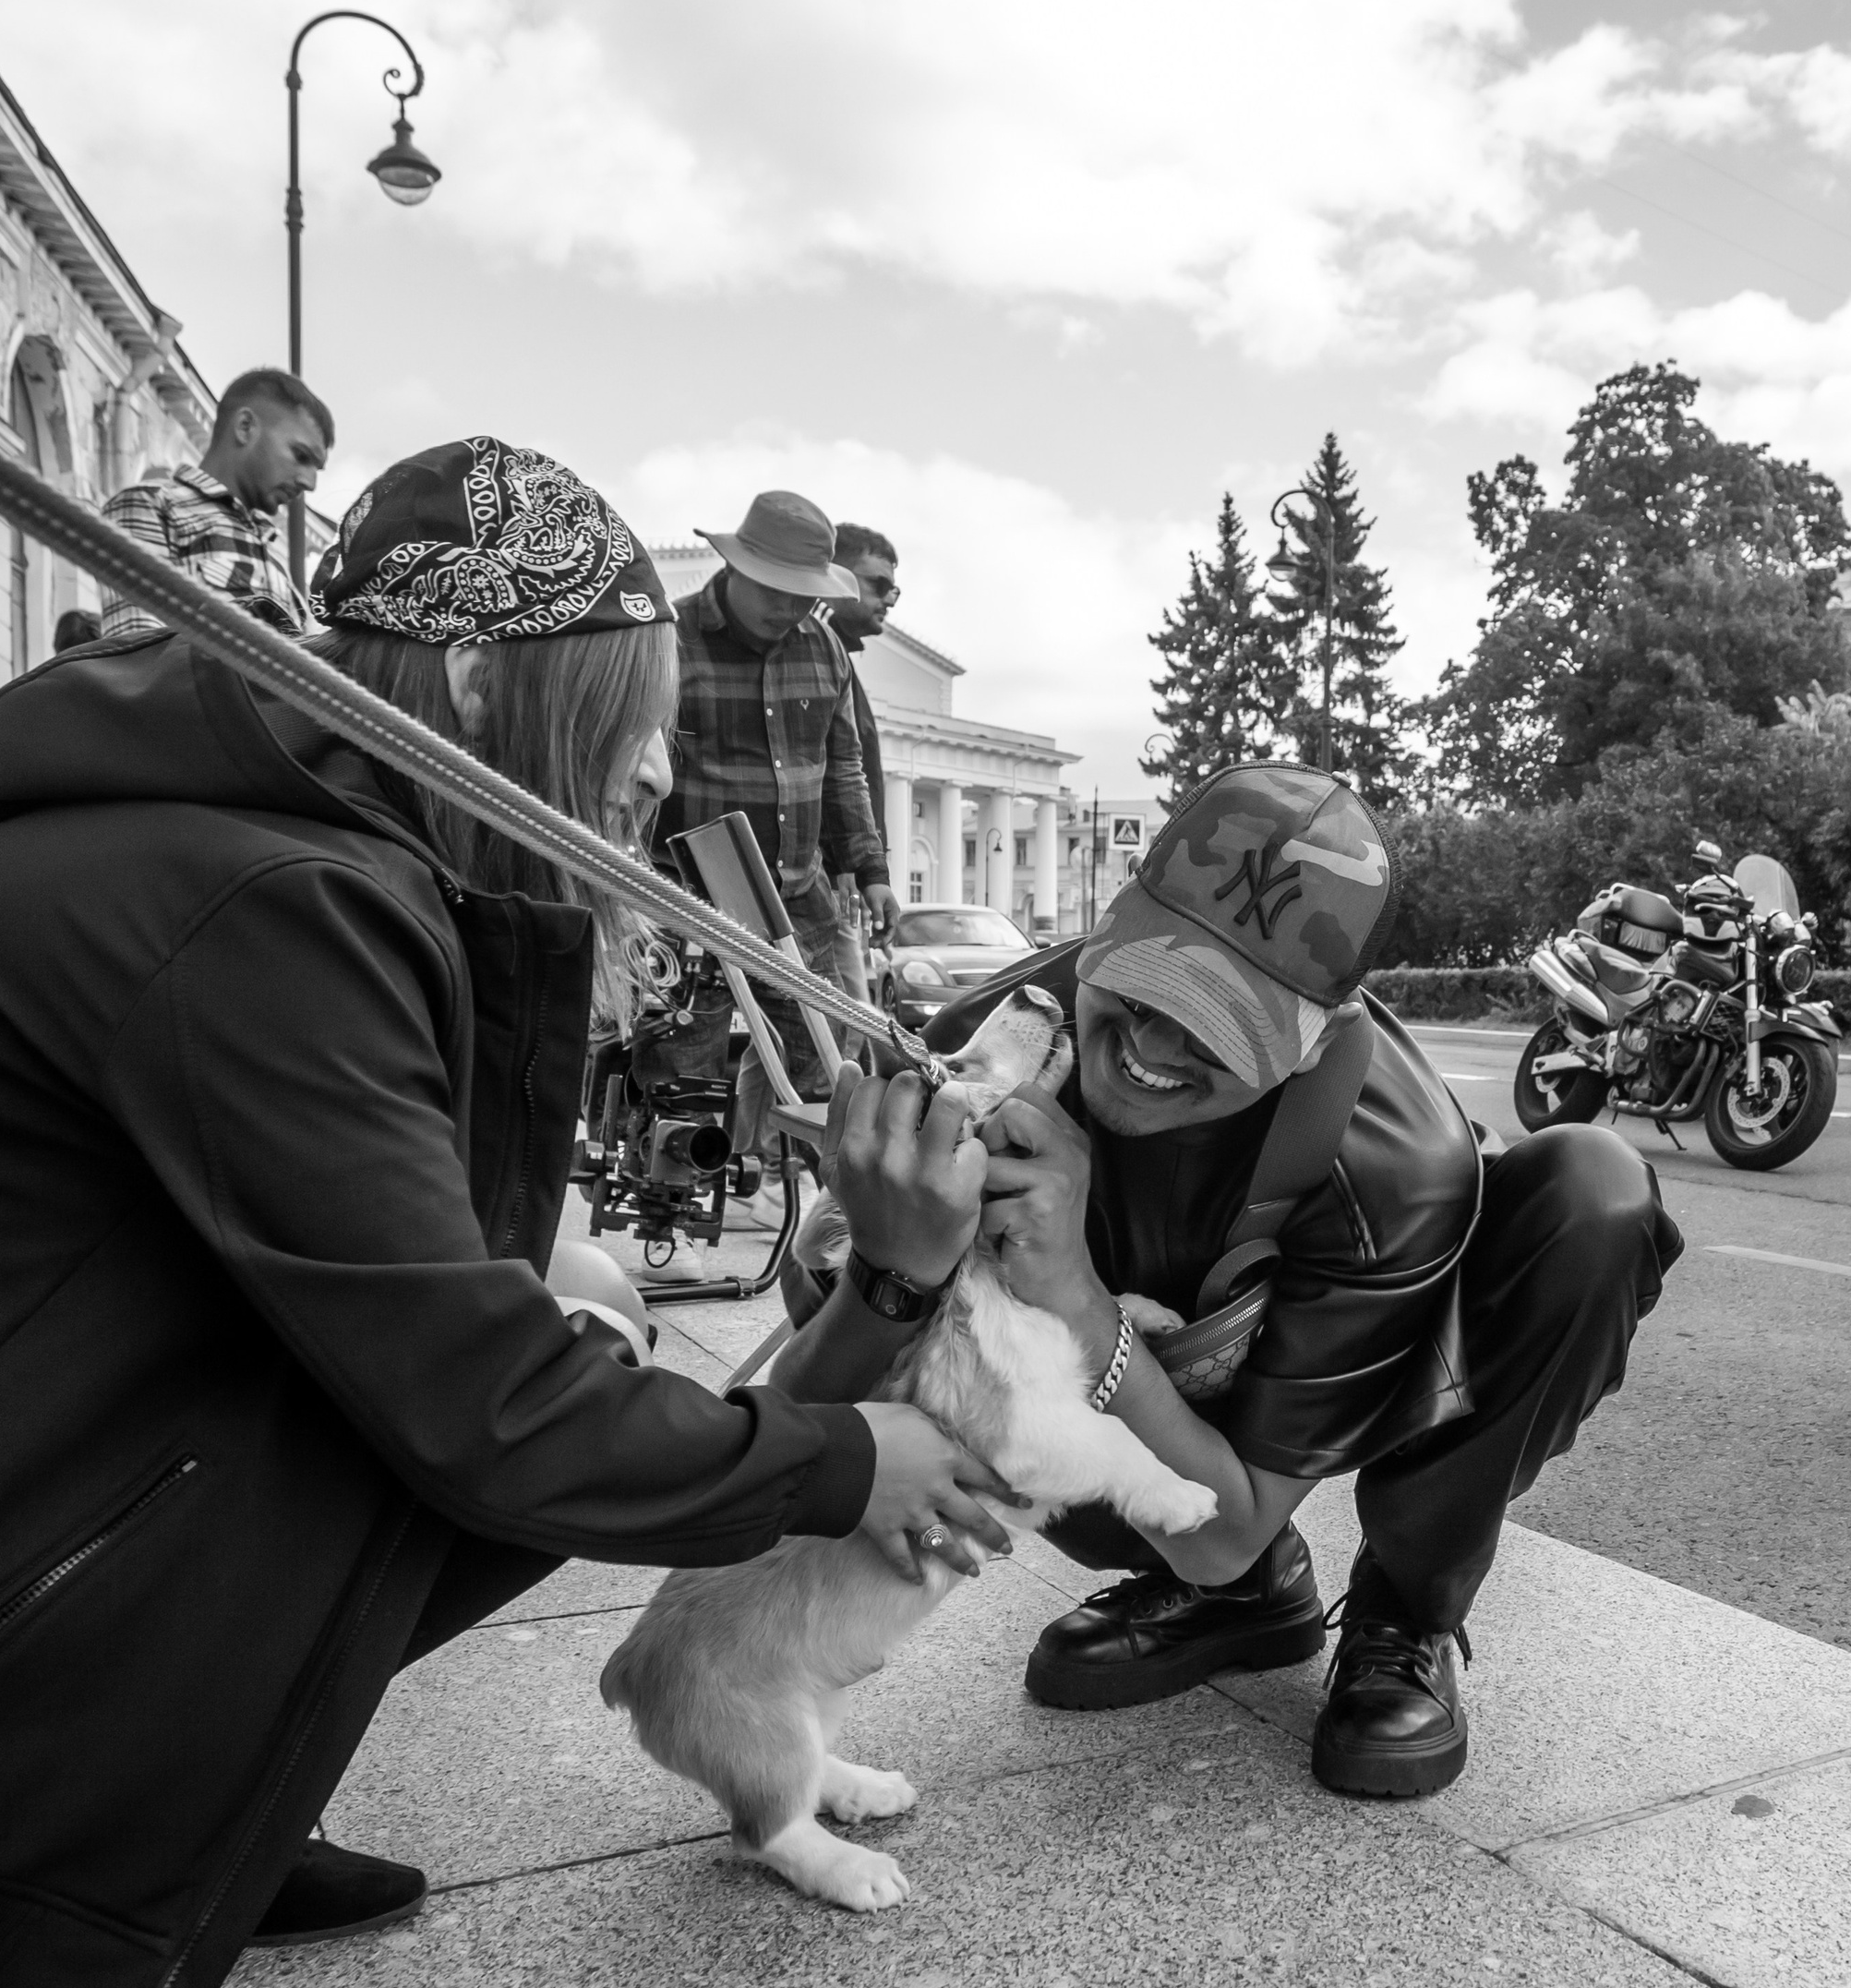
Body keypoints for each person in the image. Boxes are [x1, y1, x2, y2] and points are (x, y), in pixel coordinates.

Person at [0, 437, 1010, 1988]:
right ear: (469, 677)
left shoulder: (310, 857)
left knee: (571, 1331)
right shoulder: (267, 902)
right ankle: (20, 1912)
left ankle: (176, 1811)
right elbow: (487, 1406)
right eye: (621, 706)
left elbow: (473, 1290)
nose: (655, 762)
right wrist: (849, 1453)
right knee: (524, 1412)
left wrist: (869, 1299)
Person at [775, 763, 1682, 1800]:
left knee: (1595, 1196)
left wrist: (1071, 1293)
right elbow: (785, 1434)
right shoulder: (990, 1043)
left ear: (1316, 1039)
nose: (1151, 1045)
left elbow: (1223, 1523)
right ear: (1106, 922)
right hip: (1157, 1397)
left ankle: (1405, 1609)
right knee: (895, 1244)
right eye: (1146, 980)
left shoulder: (1395, 1167)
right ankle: (1249, 1603)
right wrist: (892, 1271)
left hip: (1370, 1360)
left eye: (1217, 1020)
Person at [648, 490, 897, 1270]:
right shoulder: (669, 639)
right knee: (684, 1057)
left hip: (797, 887)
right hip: (691, 887)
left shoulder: (820, 651)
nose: (791, 607)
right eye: (776, 590)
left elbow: (843, 766)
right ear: (734, 566)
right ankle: (672, 1214)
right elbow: (638, 762)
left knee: (834, 1052)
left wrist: (873, 868)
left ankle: (818, 1208)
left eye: (805, 594)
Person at [98, 367, 331, 640]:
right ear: (245, 427)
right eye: (301, 456)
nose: (310, 483)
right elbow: (139, 659)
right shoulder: (151, 507)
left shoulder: (280, 572)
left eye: (317, 469)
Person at [823, 523, 902, 1010]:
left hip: (839, 878)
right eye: (877, 583)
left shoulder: (837, 658)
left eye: (895, 587)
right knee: (843, 1025)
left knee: (823, 1032)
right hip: (827, 881)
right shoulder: (813, 652)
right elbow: (831, 771)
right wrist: (848, 866)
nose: (891, 597)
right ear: (832, 575)